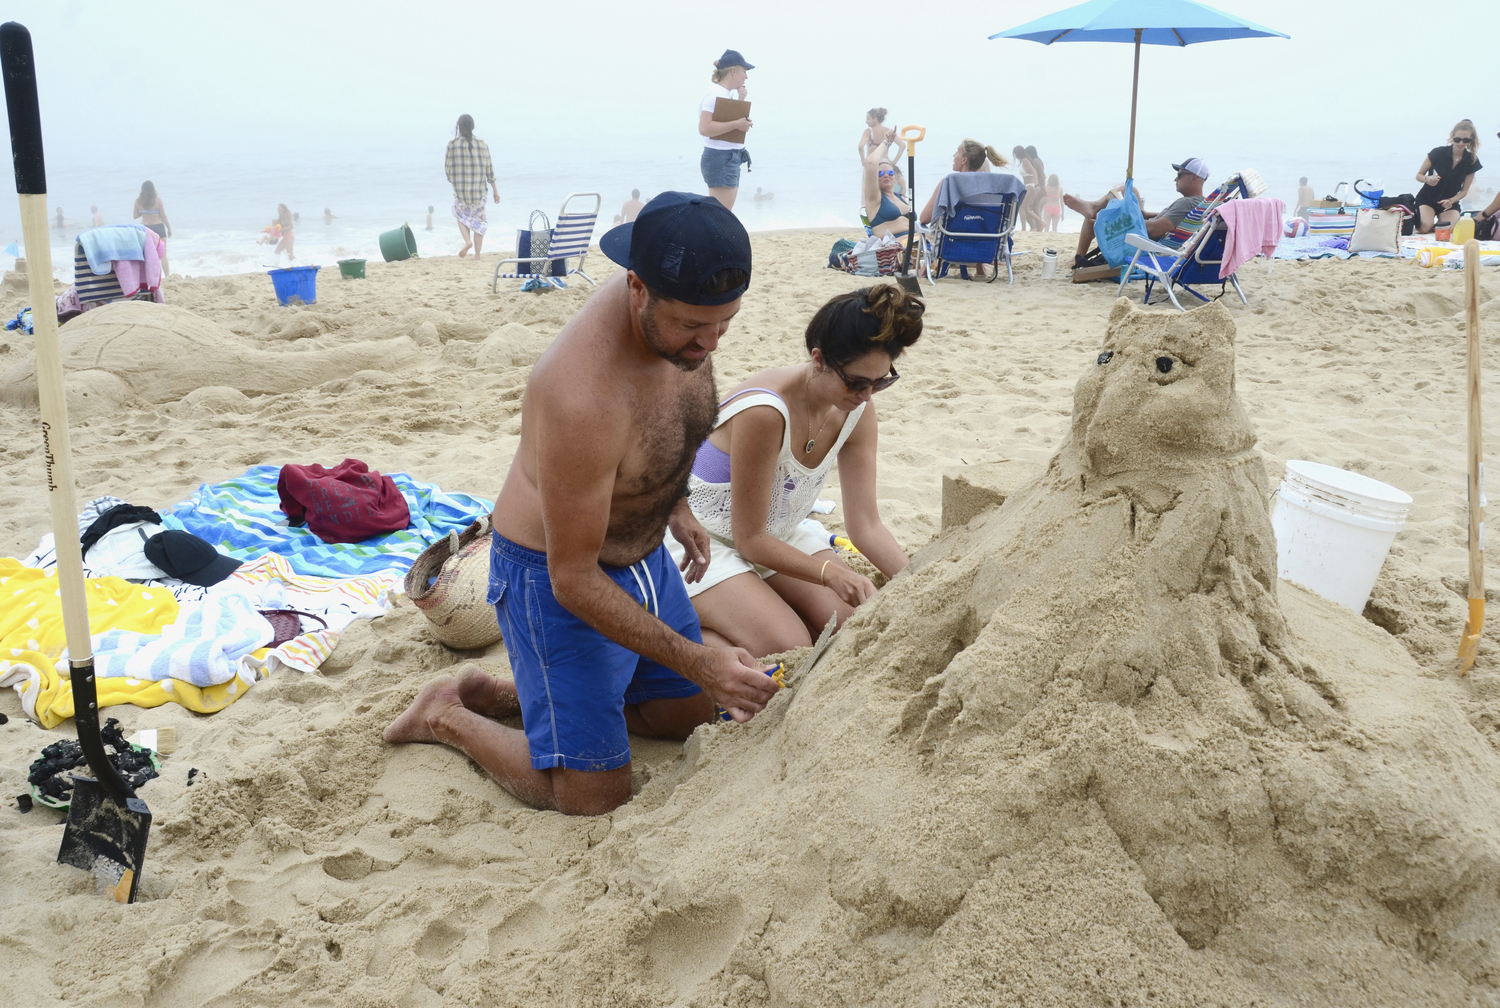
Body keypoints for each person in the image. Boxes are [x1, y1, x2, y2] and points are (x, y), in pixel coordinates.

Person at [384, 192, 780, 817]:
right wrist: (700, 657)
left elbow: (668, 421)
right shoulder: (580, 396)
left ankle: (521, 695)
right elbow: (573, 580)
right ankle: (446, 717)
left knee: (682, 716)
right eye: (692, 326)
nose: (708, 343)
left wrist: (673, 502)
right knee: (593, 797)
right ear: (637, 288)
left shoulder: (684, 316)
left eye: (723, 324)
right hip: (555, 579)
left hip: (644, 554)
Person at [667, 284, 920, 656]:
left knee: (850, 624)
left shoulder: (858, 410)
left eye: (881, 381)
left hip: (776, 530)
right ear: (818, 359)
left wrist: (918, 583)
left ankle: (754, 602)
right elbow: (749, 538)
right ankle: (675, 633)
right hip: (699, 535)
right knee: (788, 644)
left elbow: (866, 525)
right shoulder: (766, 411)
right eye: (857, 381)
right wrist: (830, 573)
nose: (867, 395)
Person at [1063, 158, 1209, 269]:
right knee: (1130, 190)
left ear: (1194, 177)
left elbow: (1155, 228)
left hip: (1142, 243)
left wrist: (1127, 220)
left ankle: (1093, 210)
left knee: (1097, 216)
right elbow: (1170, 221)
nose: (1175, 178)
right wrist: (1144, 214)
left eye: (1180, 174)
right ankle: (1093, 207)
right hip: (1148, 238)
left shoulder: (1187, 203)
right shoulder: (1197, 204)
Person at [698, 50, 754, 211]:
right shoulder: (715, 94)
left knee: (722, 214)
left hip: (727, 158)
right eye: (744, 71)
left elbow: (723, 123)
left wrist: (740, 102)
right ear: (733, 71)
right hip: (721, 158)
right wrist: (737, 124)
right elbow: (705, 128)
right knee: (720, 215)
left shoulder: (723, 94)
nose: (746, 77)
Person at [445, 113, 500, 258]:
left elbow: (448, 170)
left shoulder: (452, 145)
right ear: (473, 126)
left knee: (460, 215)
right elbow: (489, 169)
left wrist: (456, 182)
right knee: (479, 222)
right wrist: (495, 190)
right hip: (479, 192)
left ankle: (467, 241)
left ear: (458, 126)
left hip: (461, 192)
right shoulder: (482, 144)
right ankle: (477, 255)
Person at [1413, 119, 1482, 234]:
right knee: (1424, 227)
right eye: (1457, 139)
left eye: (1465, 140)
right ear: (1452, 136)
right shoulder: (1438, 153)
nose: (1461, 143)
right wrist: (1427, 179)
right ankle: (1428, 222)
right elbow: (1419, 175)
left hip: (1449, 203)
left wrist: (1451, 200)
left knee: (1446, 230)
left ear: (1471, 140)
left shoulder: (1471, 161)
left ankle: (1437, 224)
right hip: (1427, 199)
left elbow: (1464, 191)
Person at [919, 140, 1008, 225]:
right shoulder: (992, 187)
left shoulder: (948, 183)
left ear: (964, 160)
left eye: (957, 152)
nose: (954, 155)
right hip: (988, 239)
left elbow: (924, 219)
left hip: (953, 239)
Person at [861, 140, 912, 239]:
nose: (886, 176)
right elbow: (871, 163)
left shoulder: (899, 197)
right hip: (896, 243)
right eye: (880, 173)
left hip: (916, 239)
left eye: (890, 173)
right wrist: (886, 143)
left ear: (894, 177)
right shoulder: (875, 198)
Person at [132, 181, 172, 275]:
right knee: (163, 255)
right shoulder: (158, 200)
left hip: (146, 228)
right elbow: (163, 216)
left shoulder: (138, 201)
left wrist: (144, 212)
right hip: (158, 227)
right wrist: (169, 229)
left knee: (149, 255)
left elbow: (135, 216)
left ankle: (152, 277)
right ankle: (167, 276)